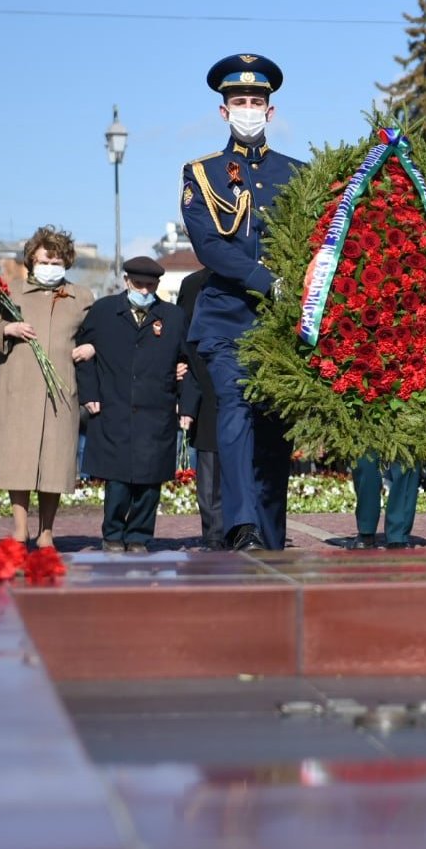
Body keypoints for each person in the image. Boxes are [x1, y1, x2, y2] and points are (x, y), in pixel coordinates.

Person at [180, 53, 304, 551]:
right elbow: (208, 244)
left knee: (275, 435)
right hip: (228, 318)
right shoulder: (202, 174)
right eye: (239, 101)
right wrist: (262, 278)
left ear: (270, 112)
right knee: (235, 405)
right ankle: (242, 525)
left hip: (281, 325)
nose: (248, 108)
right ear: (224, 112)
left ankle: (270, 538)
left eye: (256, 101)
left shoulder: (299, 173)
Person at [0, 227, 94, 549]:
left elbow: (95, 334)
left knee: (54, 464)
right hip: (19, 388)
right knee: (19, 461)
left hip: (59, 392)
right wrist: (8, 327)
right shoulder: (10, 291)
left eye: (57, 261)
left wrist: (92, 348)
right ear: (31, 259)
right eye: (45, 260)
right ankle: (19, 529)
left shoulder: (81, 296)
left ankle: (46, 532)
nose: (51, 266)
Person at [75, 257, 187, 553]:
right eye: (139, 284)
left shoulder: (173, 316)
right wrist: (89, 394)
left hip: (156, 410)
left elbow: (188, 363)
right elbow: (84, 357)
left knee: (150, 482)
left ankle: (139, 536)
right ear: (126, 281)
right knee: (119, 481)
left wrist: (185, 403)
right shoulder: (103, 311)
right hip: (114, 408)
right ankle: (112, 533)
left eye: (151, 285)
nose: (145, 291)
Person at [174, 267, 224, 550]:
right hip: (205, 384)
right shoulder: (194, 283)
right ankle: (215, 532)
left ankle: (242, 528)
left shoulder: (254, 274)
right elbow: (184, 337)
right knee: (210, 467)